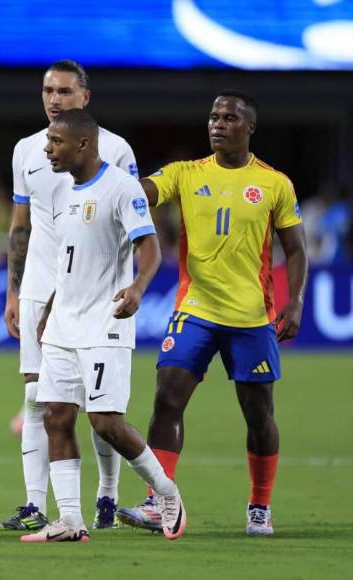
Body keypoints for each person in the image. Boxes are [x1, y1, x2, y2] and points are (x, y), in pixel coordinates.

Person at [117, 90, 308, 537]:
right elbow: (143, 191)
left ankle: (259, 505)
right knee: (168, 397)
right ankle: (159, 500)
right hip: (195, 310)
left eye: (229, 118)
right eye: (213, 117)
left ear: (250, 127)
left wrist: (294, 299)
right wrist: (110, 178)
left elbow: (295, 249)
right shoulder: (186, 174)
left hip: (250, 317)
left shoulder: (274, 183)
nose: (218, 124)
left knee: (258, 413)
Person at [21, 109, 185, 543]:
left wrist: (137, 288)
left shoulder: (121, 187)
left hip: (104, 324)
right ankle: (70, 521)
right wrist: (50, 307)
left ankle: (167, 491)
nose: (47, 148)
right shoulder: (63, 191)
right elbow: (68, 259)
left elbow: (150, 248)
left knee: (106, 423)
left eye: (56, 141)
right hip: (63, 324)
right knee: (56, 416)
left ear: (83, 145)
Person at [1, 60, 139, 532]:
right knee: (39, 397)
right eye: (47, 90)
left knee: (99, 406)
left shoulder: (117, 150)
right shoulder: (27, 151)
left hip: (94, 292)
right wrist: (14, 291)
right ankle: (34, 504)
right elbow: (20, 226)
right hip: (40, 285)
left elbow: (131, 221)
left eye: (63, 90)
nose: (53, 98)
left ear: (85, 97)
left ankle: (107, 494)